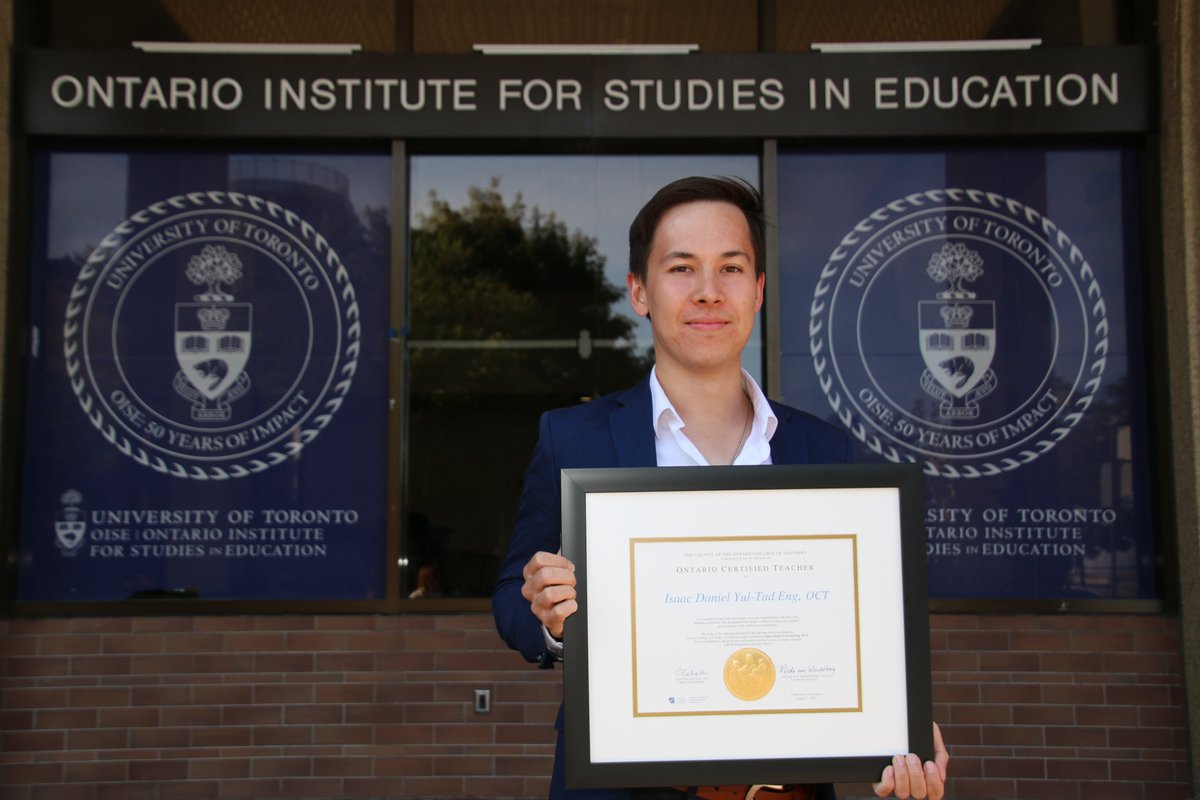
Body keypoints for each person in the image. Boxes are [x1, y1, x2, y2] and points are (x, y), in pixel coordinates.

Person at [492, 176, 949, 800]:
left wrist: (897, 724)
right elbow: (511, 596)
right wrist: (548, 619)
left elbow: (862, 627)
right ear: (639, 292)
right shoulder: (572, 438)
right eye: (682, 268)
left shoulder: (824, 451)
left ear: (757, 291)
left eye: (730, 268)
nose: (709, 291)